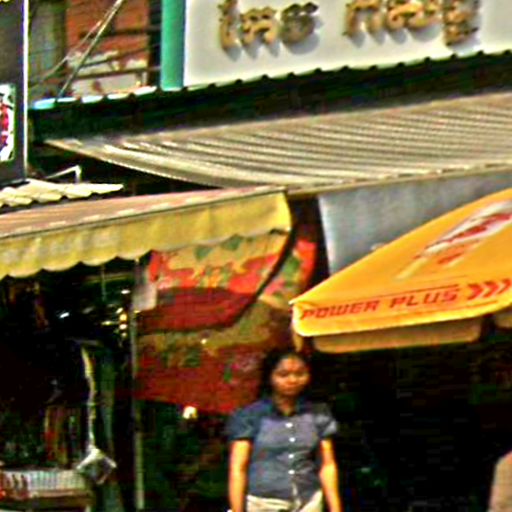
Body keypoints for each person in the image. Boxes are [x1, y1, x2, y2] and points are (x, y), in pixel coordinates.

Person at [226, 348, 343, 512]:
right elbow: (238, 468)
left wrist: (335, 508)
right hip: (264, 502)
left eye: (300, 374)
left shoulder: (318, 414)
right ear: (270, 377)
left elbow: (327, 464)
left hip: (308, 499)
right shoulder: (250, 416)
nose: (292, 380)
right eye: (283, 374)